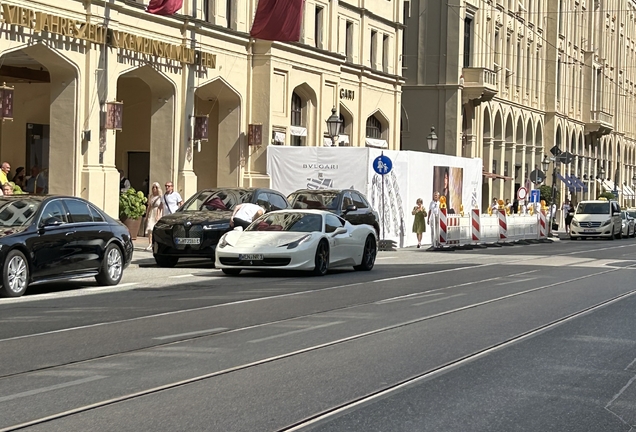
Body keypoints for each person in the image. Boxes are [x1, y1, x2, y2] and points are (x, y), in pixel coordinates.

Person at [144, 182, 163, 251]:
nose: (154, 189)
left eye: (156, 187)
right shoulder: (151, 196)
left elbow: (161, 207)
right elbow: (149, 206)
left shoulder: (161, 197)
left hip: (158, 213)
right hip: (151, 213)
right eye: (153, 187)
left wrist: (159, 215)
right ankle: (150, 243)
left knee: (156, 229)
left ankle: (156, 243)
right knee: (150, 229)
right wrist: (146, 215)